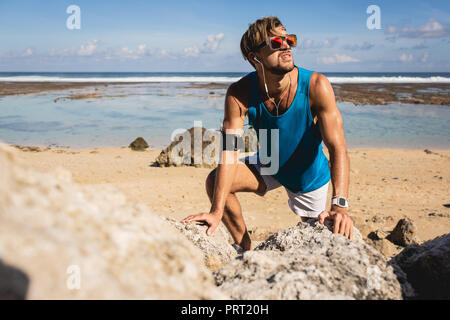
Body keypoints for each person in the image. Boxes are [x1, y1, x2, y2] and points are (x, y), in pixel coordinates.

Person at [181, 16, 353, 250]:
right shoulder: (239, 93)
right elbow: (229, 152)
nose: (286, 46)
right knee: (215, 181)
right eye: (276, 42)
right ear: (255, 57)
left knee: (325, 239)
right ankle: (246, 250)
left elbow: (338, 147)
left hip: (309, 177)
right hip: (271, 163)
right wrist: (216, 211)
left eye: (289, 39)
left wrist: (340, 206)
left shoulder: (316, 86)